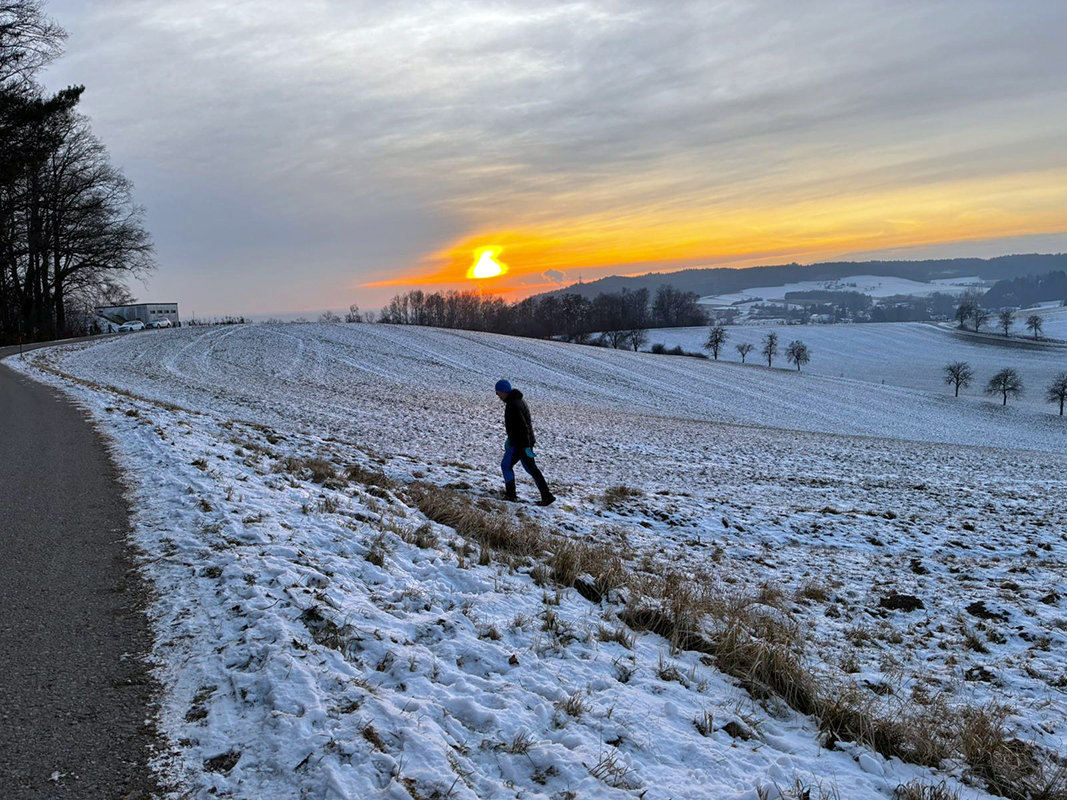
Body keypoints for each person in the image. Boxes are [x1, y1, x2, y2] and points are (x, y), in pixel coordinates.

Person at [495, 379, 555, 506]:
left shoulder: (513, 405)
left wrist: (525, 446)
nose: (497, 394)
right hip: (521, 442)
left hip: (520, 444)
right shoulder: (516, 401)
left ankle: (511, 496)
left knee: (506, 466)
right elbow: (519, 426)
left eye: (497, 391)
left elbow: (523, 427)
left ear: (503, 391)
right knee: (531, 468)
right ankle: (547, 495)